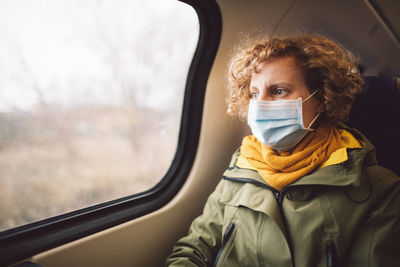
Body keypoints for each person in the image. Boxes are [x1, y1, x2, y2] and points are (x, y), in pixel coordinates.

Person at [165, 34, 400, 267]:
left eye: (278, 91)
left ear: (322, 98)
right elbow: (194, 250)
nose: (260, 105)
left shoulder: (379, 188)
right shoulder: (241, 166)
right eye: (254, 94)